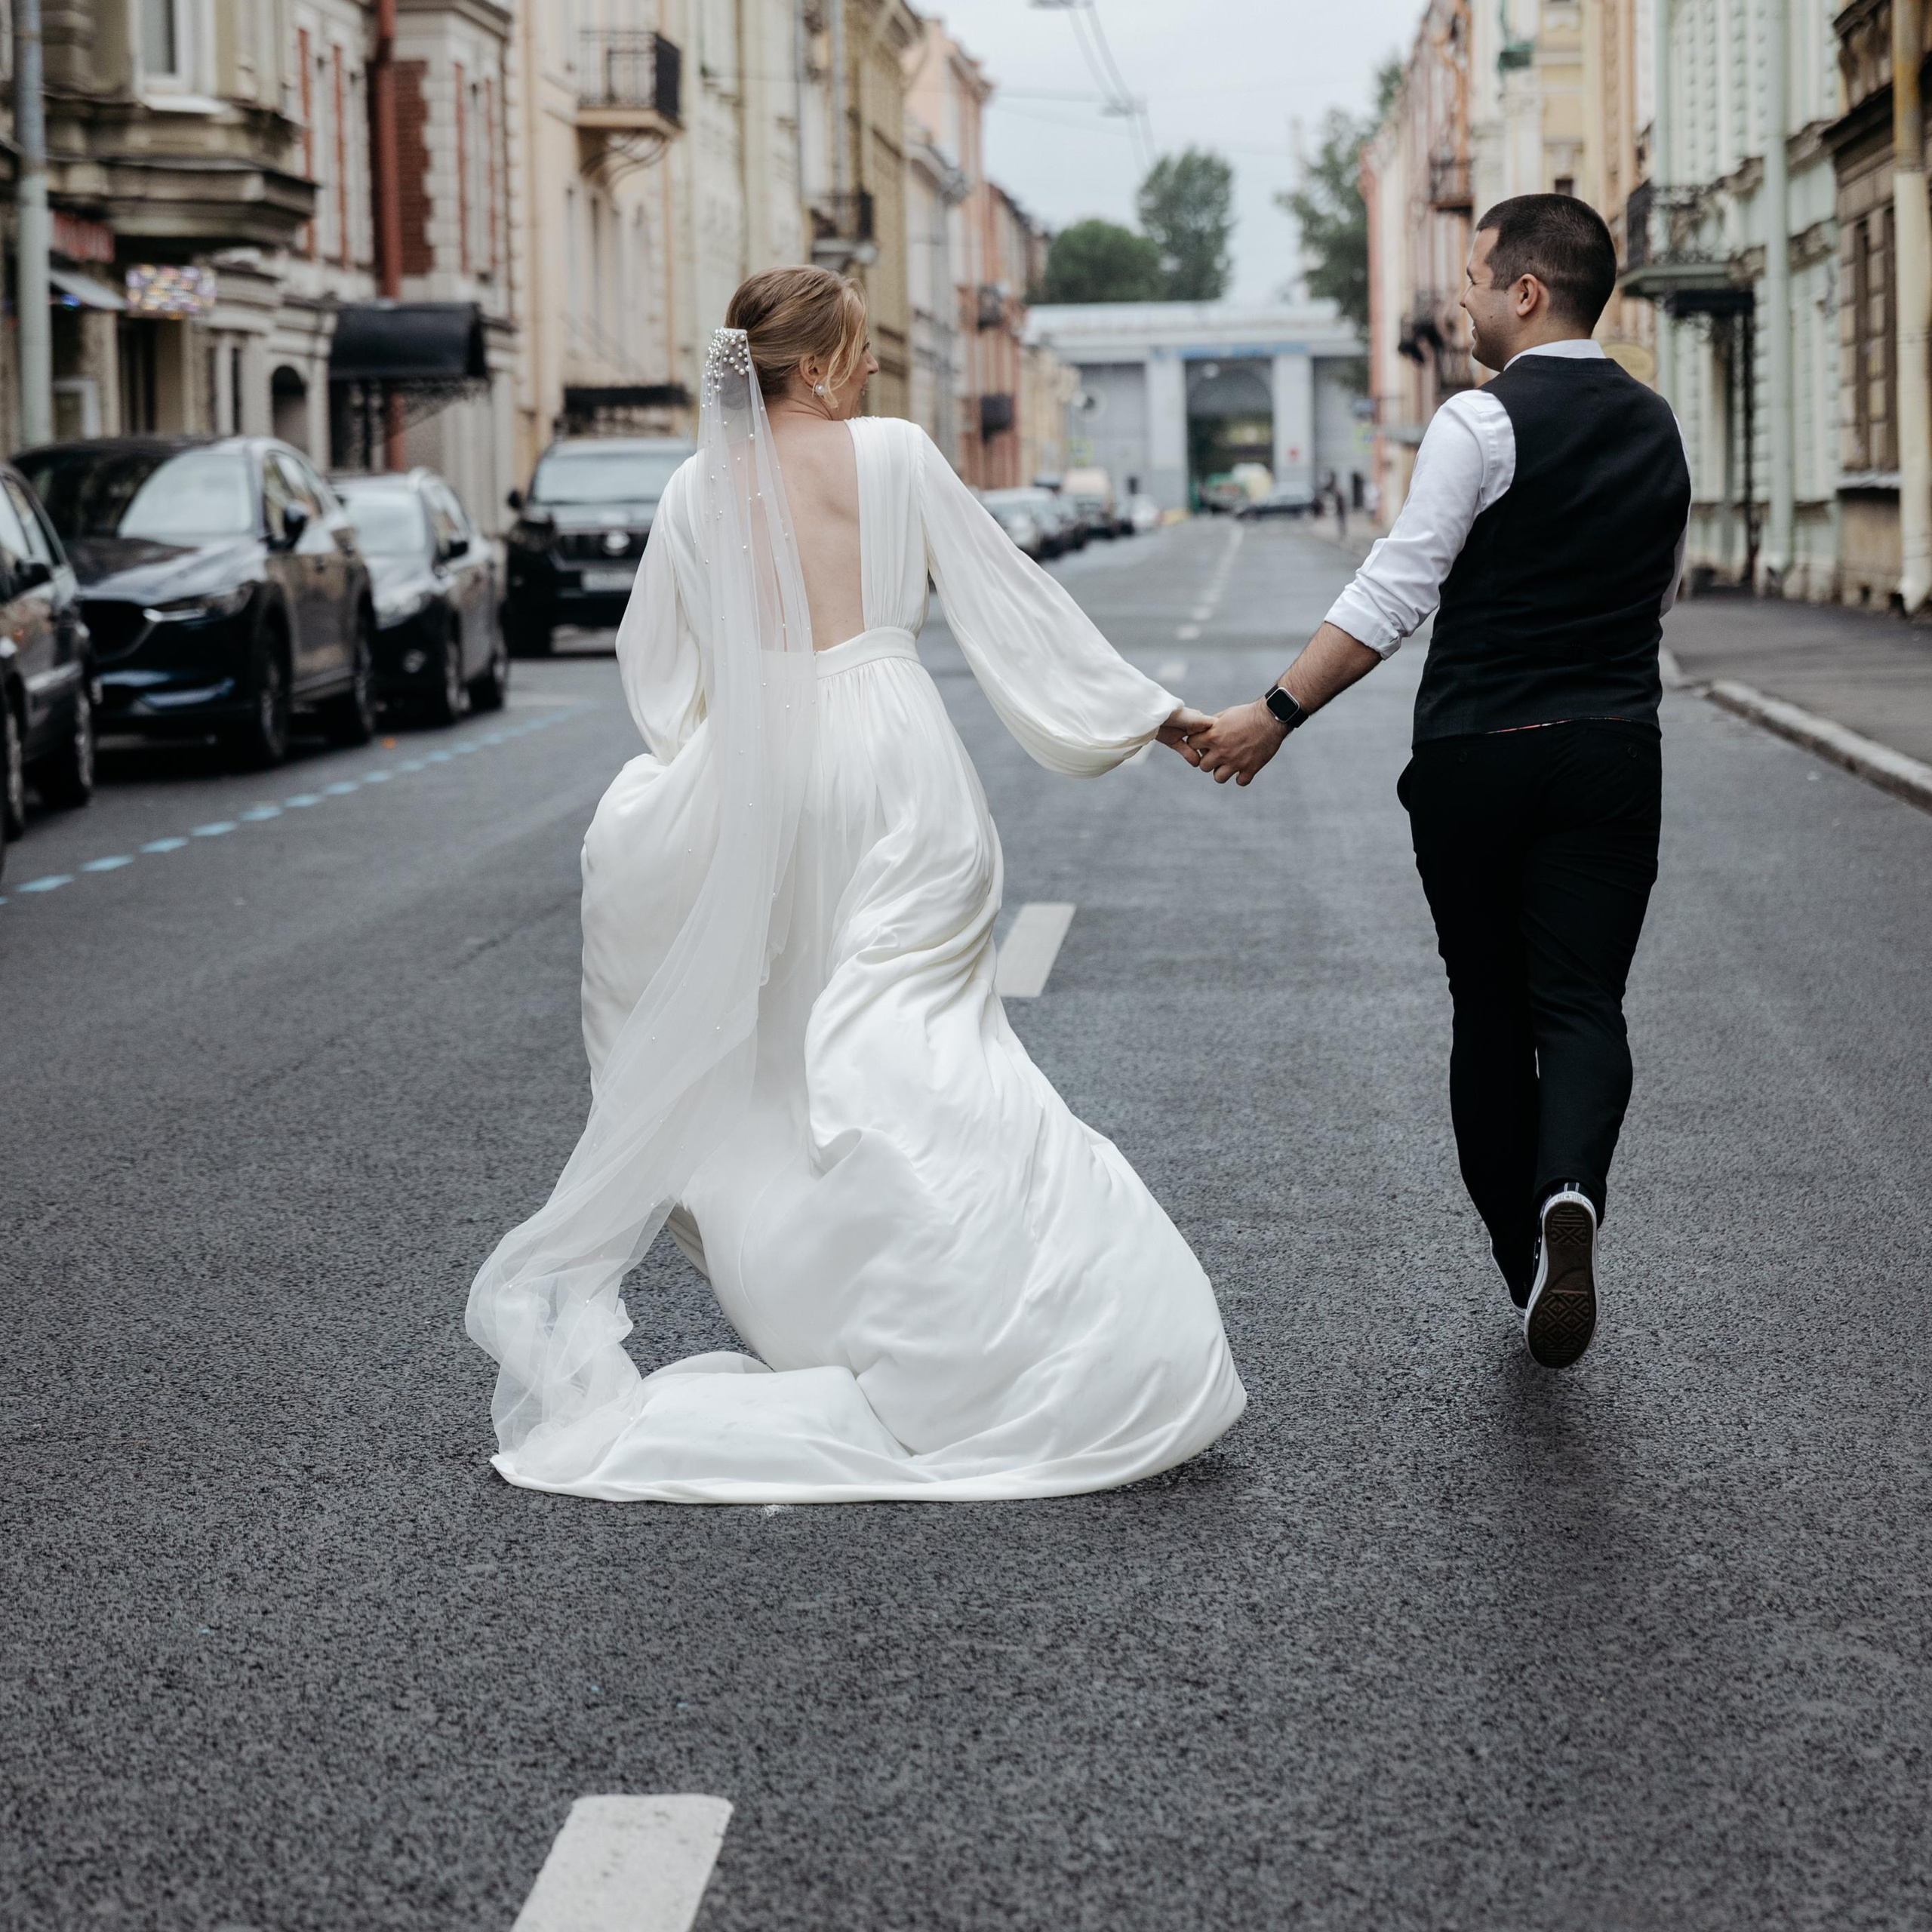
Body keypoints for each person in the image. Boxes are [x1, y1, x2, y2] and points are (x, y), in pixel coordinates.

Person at [466, 266, 1244, 1503]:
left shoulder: (692, 488)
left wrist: (715, 761)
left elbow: (660, 675)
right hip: (899, 769)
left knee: (794, 1066)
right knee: (922, 1049)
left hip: (767, 781)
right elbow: (1014, 611)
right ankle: (1012, 1328)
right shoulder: (893, 458)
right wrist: (1151, 716)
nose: (876, 368)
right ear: (819, 365)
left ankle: (859, 1312)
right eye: (863, 350)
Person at [1185, 195, 1690, 1371]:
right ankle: (1574, 1193)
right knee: (1581, 1004)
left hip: (1479, 752)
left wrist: (1274, 715)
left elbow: (1395, 591)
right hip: (1614, 746)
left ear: (1526, 292)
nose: (1459, 295)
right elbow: (1662, 593)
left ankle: (1530, 1262)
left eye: (1474, 275)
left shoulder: (1479, 421)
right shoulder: (1658, 425)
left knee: (1489, 1011)